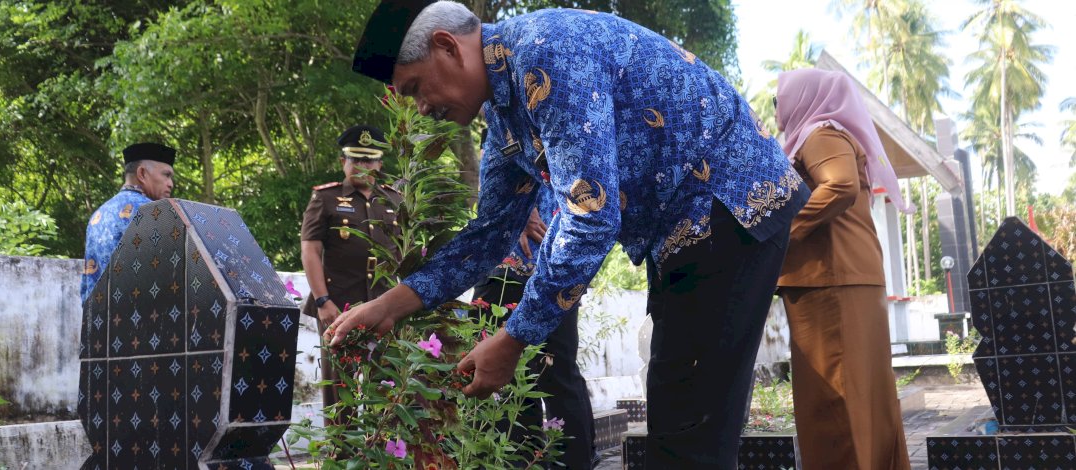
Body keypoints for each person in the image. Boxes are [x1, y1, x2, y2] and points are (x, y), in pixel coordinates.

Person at [331, 1, 810, 466]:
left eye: (416, 88)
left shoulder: (545, 53)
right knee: (677, 409)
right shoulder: (505, 118)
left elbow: (590, 216)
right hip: (686, 232)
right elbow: (490, 235)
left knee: (691, 427)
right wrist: (390, 305)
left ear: (447, 47)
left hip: (728, 204)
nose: (420, 108)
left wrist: (513, 339)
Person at [774, 68, 910, 469]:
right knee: (867, 402)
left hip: (829, 281)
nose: (778, 109)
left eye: (780, 98)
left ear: (805, 97)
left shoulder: (820, 134)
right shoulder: (827, 133)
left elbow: (839, 185)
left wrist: (782, 236)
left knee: (834, 404)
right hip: (847, 277)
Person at [471, 152, 597, 468]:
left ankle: (566, 462)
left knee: (551, 372)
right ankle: (527, 462)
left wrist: (521, 208)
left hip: (540, 266)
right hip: (525, 267)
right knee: (520, 378)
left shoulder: (522, 116)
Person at [300, 124, 402, 412]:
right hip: (338, 304)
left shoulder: (394, 199)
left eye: (368, 159)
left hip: (385, 304)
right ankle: (340, 453)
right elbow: (310, 250)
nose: (361, 166)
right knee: (339, 387)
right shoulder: (326, 198)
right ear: (342, 161)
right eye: (355, 159)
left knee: (384, 383)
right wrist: (322, 301)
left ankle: (379, 449)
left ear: (379, 163)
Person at [81, 142, 175, 302]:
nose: (170, 184)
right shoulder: (155, 212)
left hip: (99, 322)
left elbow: (88, 284)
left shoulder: (98, 215)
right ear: (142, 173)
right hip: (143, 320)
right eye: (166, 175)